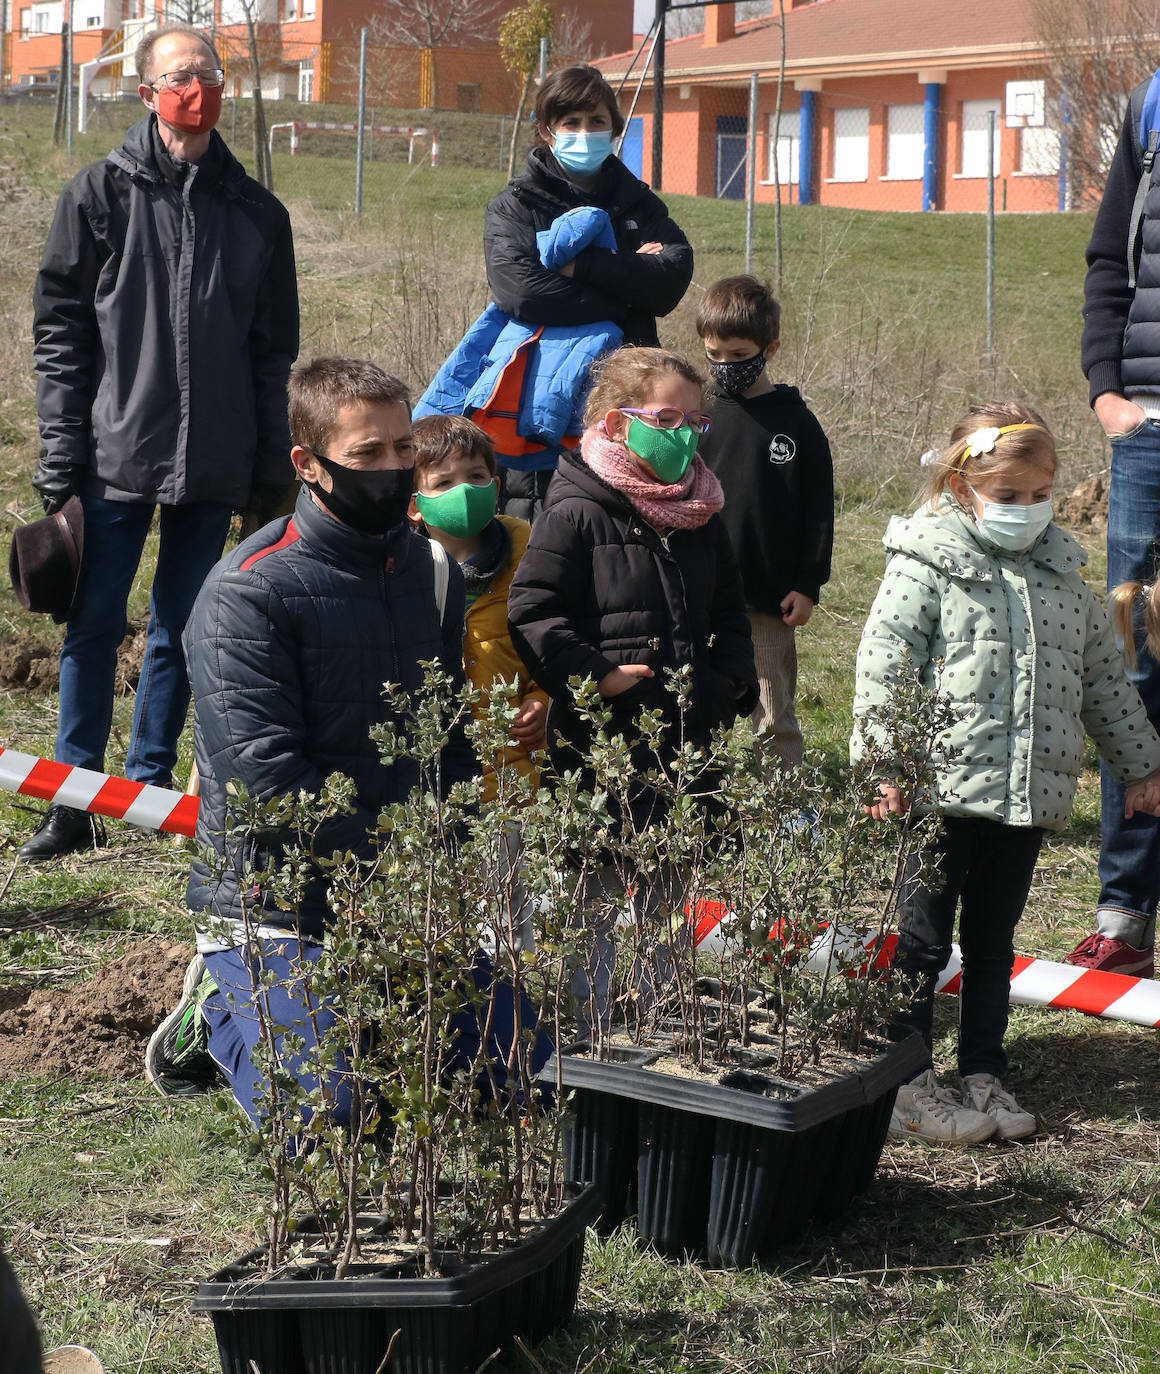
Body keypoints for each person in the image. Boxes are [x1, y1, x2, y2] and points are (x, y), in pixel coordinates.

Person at [144, 358, 484, 1126]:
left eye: (403, 450)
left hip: (399, 883)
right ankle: (219, 1010)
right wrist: (394, 856)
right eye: (367, 455)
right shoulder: (248, 593)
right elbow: (265, 784)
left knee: (507, 1076)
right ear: (308, 464)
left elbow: (449, 730)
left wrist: (449, 849)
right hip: (278, 897)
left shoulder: (432, 571)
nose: (393, 471)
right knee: (334, 1116)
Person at [20, 22, 299, 862]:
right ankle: (74, 799)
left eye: (210, 73)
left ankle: (144, 791)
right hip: (112, 454)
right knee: (93, 624)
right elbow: (61, 332)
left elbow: (271, 349)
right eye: (181, 74)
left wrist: (266, 464)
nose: (199, 86)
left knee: (182, 628)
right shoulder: (97, 196)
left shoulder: (258, 213)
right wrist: (61, 447)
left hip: (216, 460)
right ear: (145, 92)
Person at [853, 402, 1160, 1146]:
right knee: (922, 943)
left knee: (994, 944)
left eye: (1039, 495)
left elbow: (1104, 684)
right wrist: (885, 764)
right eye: (1009, 495)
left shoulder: (1064, 579)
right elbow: (883, 664)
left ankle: (982, 1073)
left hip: (1026, 796)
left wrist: (1143, 765)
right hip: (936, 793)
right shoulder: (926, 562)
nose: (1027, 510)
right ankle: (905, 1080)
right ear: (964, 488)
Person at [507, 346, 757, 1030]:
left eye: (695, 423)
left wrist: (730, 683)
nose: (683, 435)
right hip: (602, 751)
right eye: (667, 418)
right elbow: (533, 610)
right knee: (595, 897)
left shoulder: (700, 512)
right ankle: (589, 1030)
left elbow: (731, 611)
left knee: (668, 896)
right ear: (619, 424)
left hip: (683, 748)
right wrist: (598, 677)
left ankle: (660, 1021)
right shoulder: (578, 510)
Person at [481, 65, 694, 520]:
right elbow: (521, 291)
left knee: (617, 528)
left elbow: (672, 278)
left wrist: (583, 265)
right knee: (539, 527)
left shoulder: (638, 202)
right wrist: (628, 287)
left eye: (596, 121)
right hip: (538, 400)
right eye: (570, 123)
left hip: (627, 399)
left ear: (615, 128)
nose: (585, 132)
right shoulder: (516, 206)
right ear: (546, 131)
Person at [1074, 74, 1160, 975]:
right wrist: (1109, 394)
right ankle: (1126, 911)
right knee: (1136, 665)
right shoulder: (1150, 104)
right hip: (1149, 432)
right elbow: (1110, 261)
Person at [409, 414, 548, 947]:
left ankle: (509, 1020)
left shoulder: (531, 552)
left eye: (475, 477)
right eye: (442, 483)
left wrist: (542, 701)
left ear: (496, 483)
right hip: (424, 783)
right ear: (414, 505)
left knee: (507, 930)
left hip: (505, 777)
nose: (462, 492)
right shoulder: (397, 567)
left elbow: (550, 644)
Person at [695, 274, 834, 769]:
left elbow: (818, 511)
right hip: (699, 592)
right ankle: (697, 806)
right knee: (692, 707)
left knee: (771, 714)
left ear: (769, 347)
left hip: (767, 601)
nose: (725, 366)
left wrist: (807, 584)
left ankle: (783, 816)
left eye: (738, 354)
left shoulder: (797, 423)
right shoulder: (697, 415)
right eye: (714, 354)